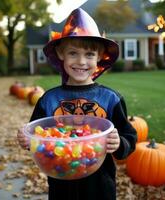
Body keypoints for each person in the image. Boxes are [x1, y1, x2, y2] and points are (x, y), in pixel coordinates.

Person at [17, 8, 137, 200]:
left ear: (99, 57)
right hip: (60, 183)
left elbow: (129, 135)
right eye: (73, 53)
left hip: (99, 186)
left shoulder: (110, 99)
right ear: (61, 53)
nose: (81, 61)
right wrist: (26, 139)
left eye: (89, 54)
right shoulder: (48, 100)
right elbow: (36, 136)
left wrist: (119, 143)